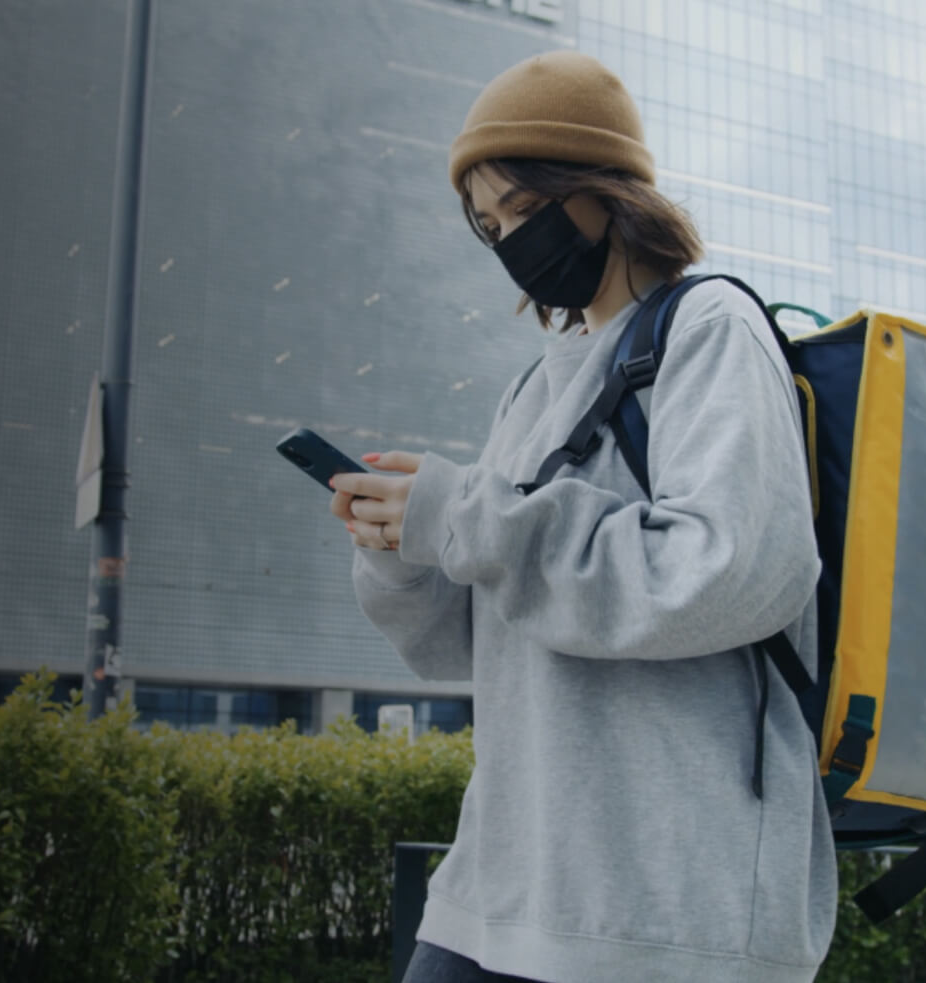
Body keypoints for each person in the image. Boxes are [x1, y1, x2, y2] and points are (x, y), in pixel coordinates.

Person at [327, 52, 836, 982]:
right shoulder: (537, 382)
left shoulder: (710, 326)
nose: (510, 240)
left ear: (603, 188)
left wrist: (472, 520)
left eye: (524, 210)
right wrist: (412, 549)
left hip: (663, 906)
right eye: (489, 226)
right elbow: (482, 640)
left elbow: (730, 570)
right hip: (501, 886)